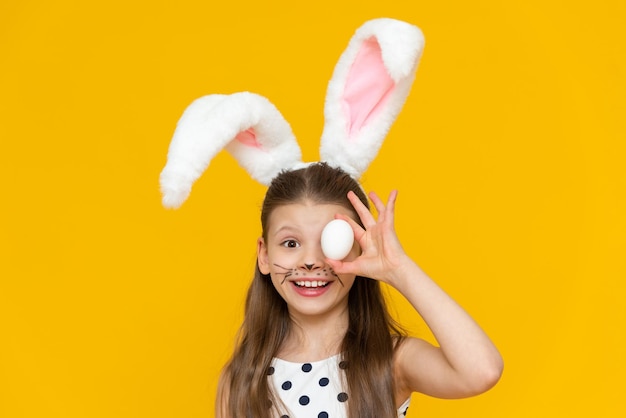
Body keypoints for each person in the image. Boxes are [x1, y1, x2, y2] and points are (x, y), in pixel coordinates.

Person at [215, 162, 503, 418]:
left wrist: (398, 269)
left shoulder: (390, 361)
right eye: (291, 243)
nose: (311, 261)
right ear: (264, 255)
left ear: (359, 251)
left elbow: (482, 371)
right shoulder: (240, 379)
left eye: (329, 242)